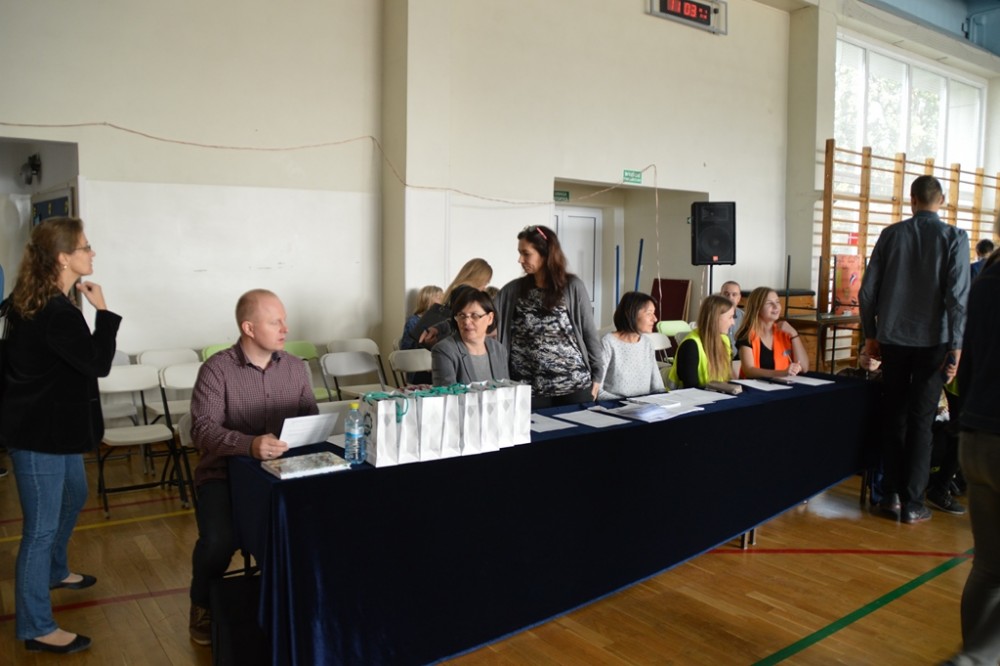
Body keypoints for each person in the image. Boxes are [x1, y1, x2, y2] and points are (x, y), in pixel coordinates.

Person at [0, 217, 119, 655]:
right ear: (64, 258)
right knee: (39, 530)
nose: (92, 253)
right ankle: (36, 626)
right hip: (38, 435)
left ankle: (54, 570)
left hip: (53, 428)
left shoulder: (41, 299)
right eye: (85, 247)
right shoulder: (54, 312)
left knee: (75, 492)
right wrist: (103, 312)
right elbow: (98, 363)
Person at [188, 289, 317, 645]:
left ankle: (299, 601)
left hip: (284, 473)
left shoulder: (295, 367)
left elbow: (310, 416)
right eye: (275, 322)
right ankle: (201, 602)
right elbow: (202, 431)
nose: (285, 329)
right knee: (218, 541)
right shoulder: (216, 370)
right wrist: (248, 445)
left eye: (284, 321)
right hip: (224, 475)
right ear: (248, 328)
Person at [859, 175, 969, 524]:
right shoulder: (954, 237)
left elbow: (867, 291)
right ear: (942, 200)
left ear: (912, 199)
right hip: (934, 340)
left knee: (894, 415)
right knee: (922, 420)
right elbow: (957, 297)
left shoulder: (891, 235)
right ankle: (914, 503)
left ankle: (890, 494)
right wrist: (957, 346)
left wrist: (871, 334)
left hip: (893, 337)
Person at [943, 245, 1000, 665]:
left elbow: (968, 366)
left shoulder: (986, 280)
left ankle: (973, 653)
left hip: (977, 437)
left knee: (988, 569)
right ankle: (976, 658)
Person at [495, 225, 603, 408]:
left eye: (526, 254)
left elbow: (589, 332)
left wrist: (598, 375)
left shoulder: (572, 286)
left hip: (573, 384)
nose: (520, 259)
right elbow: (485, 318)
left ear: (545, 253)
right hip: (527, 388)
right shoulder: (512, 291)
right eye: (520, 253)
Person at [431, 288, 510, 385]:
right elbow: (447, 393)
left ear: (490, 318)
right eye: (462, 315)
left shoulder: (499, 350)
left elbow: (507, 390)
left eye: (474, 315)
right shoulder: (444, 351)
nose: (467, 322)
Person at [597, 291, 663, 399]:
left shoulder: (648, 344)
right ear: (631, 313)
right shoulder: (608, 343)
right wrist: (628, 403)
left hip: (645, 407)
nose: (655, 319)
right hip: (615, 407)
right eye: (649, 313)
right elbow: (597, 391)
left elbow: (658, 388)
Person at [415, 258, 493, 349]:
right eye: (485, 282)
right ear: (479, 279)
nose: (484, 287)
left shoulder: (455, 290)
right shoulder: (467, 293)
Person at [735, 287, 809, 378]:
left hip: (783, 384)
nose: (776, 306)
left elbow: (804, 368)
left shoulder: (785, 332)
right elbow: (749, 370)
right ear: (757, 308)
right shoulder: (747, 334)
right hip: (755, 385)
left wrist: (794, 334)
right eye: (769, 303)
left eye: (777, 302)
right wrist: (782, 373)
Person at [669, 294, 735, 389]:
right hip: (689, 396)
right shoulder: (690, 345)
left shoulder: (725, 340)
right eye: (730, 317)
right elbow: (690, 388)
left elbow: (727, 378)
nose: (733, 322)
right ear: (715, 318)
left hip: (716, 394)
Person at [400, 285, 443, 350]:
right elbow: (406, 349)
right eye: (439, 298)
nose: (442, 301)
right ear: (427, 301)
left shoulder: (443, 321)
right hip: (419, 355)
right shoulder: (413, 322)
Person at [720, 280, 744, 359]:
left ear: (739, 298)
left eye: (734, 294)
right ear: (720, 296)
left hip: (738, 359)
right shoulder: (712, 316)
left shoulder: (745, 318)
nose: (730, 297)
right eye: (726, 294)